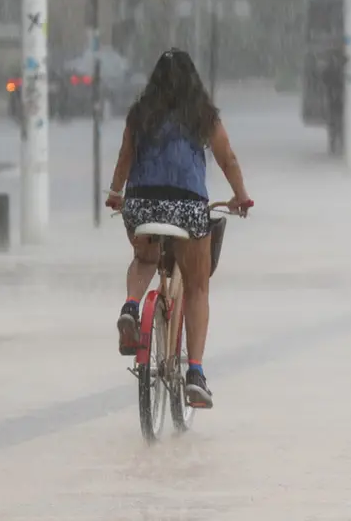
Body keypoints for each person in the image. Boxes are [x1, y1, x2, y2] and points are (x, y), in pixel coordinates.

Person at [104, 48, 252, 409]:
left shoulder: (140, 115)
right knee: (198, 287)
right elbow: (227, 157)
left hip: (141, 204)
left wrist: (115, 194)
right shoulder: (202, 115)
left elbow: (125, 157)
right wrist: (240, 196)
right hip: (186, 206)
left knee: (144, 258)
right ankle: (196, 374)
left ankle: (131, 307)